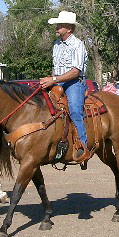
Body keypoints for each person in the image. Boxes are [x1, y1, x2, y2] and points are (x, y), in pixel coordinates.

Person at [39, 11, 90, 163]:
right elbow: (55, 67)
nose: (57, 27)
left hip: (74, 83)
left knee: (74, 109)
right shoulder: (56, 44)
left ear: (69, 28)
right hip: (57, 82)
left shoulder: (77, 45)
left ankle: (83, 146)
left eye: (60, 25)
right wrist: (51, 80)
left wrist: (53, 79)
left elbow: (76, 71)